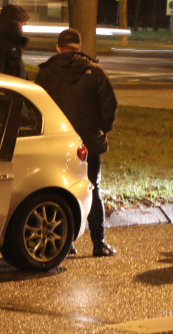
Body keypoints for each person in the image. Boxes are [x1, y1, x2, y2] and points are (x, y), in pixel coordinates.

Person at [35, 28, 119, 257]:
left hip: (57, 142)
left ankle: (65, 242)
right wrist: (102, 128)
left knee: (60, 189)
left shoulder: (45, 73)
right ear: (79, 48)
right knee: (93, 187)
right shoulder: (96, 71)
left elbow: (37, 109)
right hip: (89, 141)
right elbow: (110, 105)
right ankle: (98, 242)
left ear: (58, 47)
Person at [0, 4, 30, 79]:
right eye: (21, 21)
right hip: (7, 89)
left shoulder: (12, 43)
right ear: (12, 23)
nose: (25, 24)